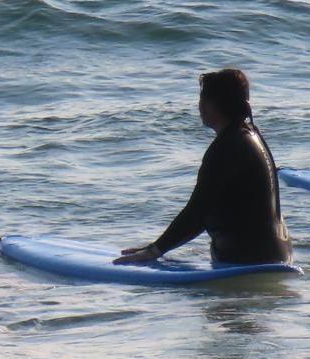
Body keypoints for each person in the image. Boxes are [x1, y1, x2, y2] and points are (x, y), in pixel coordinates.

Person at [117, 68, 294, 267]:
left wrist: (154, 250)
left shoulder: (226, 148)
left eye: (202, 99)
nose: (199, 106)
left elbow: (198, 212)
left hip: (245, 260)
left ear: (214, 105)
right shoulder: (252, 136)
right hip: (279, 254)